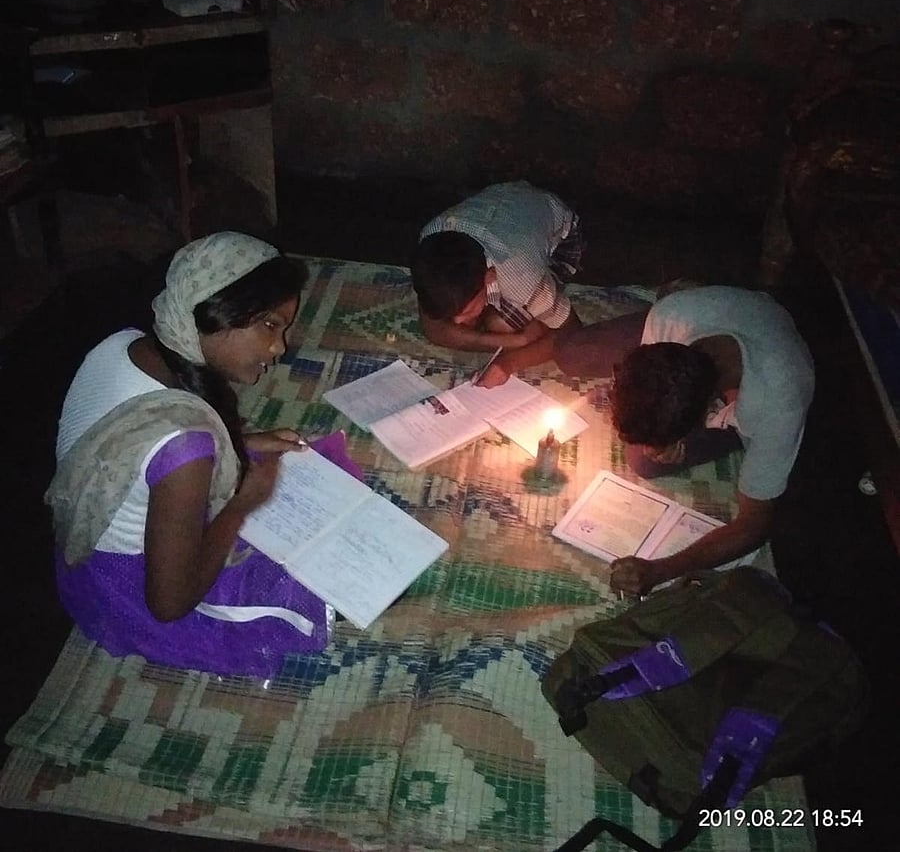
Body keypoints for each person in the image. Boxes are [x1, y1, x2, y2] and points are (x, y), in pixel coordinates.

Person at [47, 231, 350, 678]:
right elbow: (168, 604)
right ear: (215, 313)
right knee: (314, 581)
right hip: (129, 592)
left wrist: (240, 443)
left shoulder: (123, 344)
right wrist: (242, 505)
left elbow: (133, 451)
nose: (279, 348)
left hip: (80, 567)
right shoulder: (186, 445)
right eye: (269, 325)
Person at [554, 285, 815, 597]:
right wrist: (658, 436)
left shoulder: (778, 400)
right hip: (717, 312)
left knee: (644, 463)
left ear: (705, 416)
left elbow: (753, 525)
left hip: (773, 360)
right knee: (573, 355)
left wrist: (662, 570)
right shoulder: (669, 318)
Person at [410, 180, 584, 387]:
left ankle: (515, 324)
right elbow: (433, 327)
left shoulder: (522, 278)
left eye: (466, 311)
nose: (457, 322)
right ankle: (510, 332)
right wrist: (519, 341)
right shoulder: (431, 242)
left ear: (489, 277)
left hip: (559, 232)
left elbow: (571, 331)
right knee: (448, 321)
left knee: (499, 325)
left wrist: (508, 363)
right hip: (502, 205)